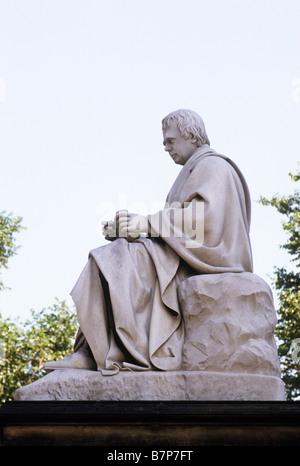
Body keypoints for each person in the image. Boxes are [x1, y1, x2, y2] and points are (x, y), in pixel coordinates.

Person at [43, 109, 253, 374]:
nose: (165, 147)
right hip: (187, 255)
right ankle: (92, 350)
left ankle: (100, 352)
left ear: (190, 136)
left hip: (208, 260)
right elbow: (179, 227)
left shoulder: (213, 165)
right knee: (116, 256)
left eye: (170, 141)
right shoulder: (195, 168)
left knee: (115, 259)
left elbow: (205, 221)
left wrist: (147, 224)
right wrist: (131, 229)